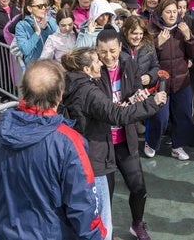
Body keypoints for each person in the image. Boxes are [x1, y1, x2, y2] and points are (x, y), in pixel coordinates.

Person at [0, 59, 107, 239]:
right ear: (60, 94)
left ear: (23, 90)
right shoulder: (69, 142)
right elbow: (82, 203)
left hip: (6, 231)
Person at [61, 47, 167, 240]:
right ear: (86, 69)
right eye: (96, 60)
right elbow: (117, 115)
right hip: (97, 155)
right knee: (103, 214)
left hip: (90, 151)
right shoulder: (89, 91)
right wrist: (152, 104)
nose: (102, 62)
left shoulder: (71, 83)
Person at [148, 0, 194, 160]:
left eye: (174, 11)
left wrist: (188, 37)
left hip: (181, 81)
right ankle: (151, 142)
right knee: (160, 117)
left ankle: (178, 146)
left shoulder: (183, 28)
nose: (172, 15)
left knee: (183, 114)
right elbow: (146, 57)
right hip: (160, 83)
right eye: (168, 12)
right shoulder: (152, 30)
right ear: (160, 13)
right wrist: (158, 44)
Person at [15, 0, 58, 65]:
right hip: (34, 67)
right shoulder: (21, 25)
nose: (44, 8)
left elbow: (58, 41)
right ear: (29, 8)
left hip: (51, 65)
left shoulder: (51, 20)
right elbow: (25, 50)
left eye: (45, 5)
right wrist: (37, 33)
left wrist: (45, 29)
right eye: (40, 6)